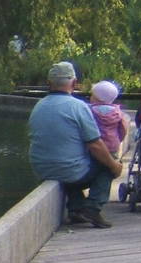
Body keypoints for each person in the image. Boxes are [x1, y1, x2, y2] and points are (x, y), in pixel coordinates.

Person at [28, 61, 124, 228]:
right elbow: (95, 144)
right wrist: (114, 165)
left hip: (41, 169)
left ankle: (76, 209)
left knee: (72, 164)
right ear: (74, 83)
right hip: (69, 171)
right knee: (106, 166)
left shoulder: (38, 106)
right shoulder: (78, 107)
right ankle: (93, 208)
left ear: (49, 83)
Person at [88, 80, 129, 158]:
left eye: (92, 95)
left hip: (95, 147)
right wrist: (118, 140)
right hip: (112, 146)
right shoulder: (118, 112)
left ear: (96, 98)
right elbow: (123, 128)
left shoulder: (90, 111)